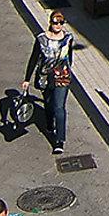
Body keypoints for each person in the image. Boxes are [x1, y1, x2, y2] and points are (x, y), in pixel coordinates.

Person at [23, 12, 76, 155]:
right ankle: (49, 123)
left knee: (59, 107)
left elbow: (69, 57)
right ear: (50, 23)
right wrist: (27, 79)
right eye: (55, 23)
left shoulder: (68, 38)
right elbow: (34, 58)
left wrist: (66, 70)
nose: (58, 26)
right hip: (45, 76)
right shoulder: (41, 39)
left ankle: (59, 140)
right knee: (48, 103)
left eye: (61, 23)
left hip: (61, 77)